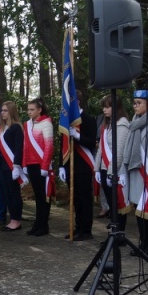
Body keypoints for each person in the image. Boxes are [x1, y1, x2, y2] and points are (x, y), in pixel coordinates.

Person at [121, 90, 148, 257]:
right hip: (137, 173)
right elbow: (127, 149)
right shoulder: (135, 122)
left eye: (138, 103)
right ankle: (143, 243)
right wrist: (122, 171)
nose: (135, 106)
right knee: (140, 212)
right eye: (134, 102)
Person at [59, 91, 99, 241]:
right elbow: (62, 146)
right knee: (74, 199)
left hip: (83, 165)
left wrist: (77, 136)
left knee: (84, 198)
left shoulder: (88, 119)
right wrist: (61, 166)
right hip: (70, 164)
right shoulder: (66, 121)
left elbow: (91, 143)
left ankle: (86, 230)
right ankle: (77, 227)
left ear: (77, 103)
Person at [95, 95, 131, 231]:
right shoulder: (107, 124)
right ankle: (114, 232)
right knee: (111, 203)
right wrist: (97, 169)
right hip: (104, 169)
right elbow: (101, 149)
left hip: (115, 171)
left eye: (108, 106)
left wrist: (111, 172)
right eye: (103, 106)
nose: (104, 110)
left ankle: (119, 233)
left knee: (118, 204)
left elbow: (119, 152)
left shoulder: (122, 124)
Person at [23, 98, 54, 236]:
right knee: (37, 195)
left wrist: (45, 166)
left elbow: (49, 146)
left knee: (43, 196)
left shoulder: (46, 124)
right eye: (28, 109)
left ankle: (43, 224)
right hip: (30, 164)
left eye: (32, 109)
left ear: (39, 110)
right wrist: (24, 164)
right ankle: (38, 223)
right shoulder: (28, 125)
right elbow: (25, 146)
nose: (29, 112)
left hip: (41, 165)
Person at [0, 101, 25, 231]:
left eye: (5, 110)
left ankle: (16, 220)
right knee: (6, 194)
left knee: (14, 193)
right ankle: (11, 219)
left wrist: (17, 166)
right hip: (2, 166)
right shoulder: (1, 128)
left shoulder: (16, 127)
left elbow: (19, 148)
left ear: (11, 111)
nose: (2, 113)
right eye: (2, 111)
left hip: (11, 166)